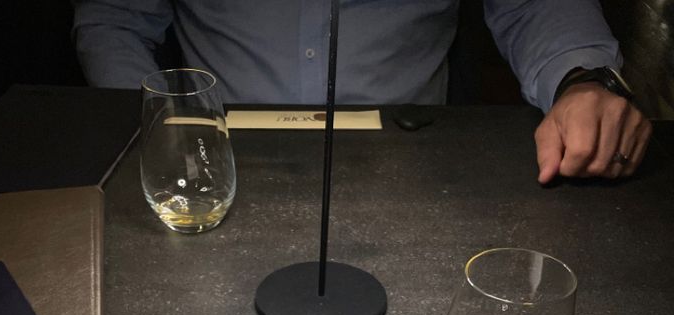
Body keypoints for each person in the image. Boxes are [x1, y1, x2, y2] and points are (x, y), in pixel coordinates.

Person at [72, 0, 652, 183]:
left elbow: (534, 4)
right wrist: (157, 127)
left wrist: (581, 81)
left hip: (417, 165)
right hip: (212, 156)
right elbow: (115, 17)